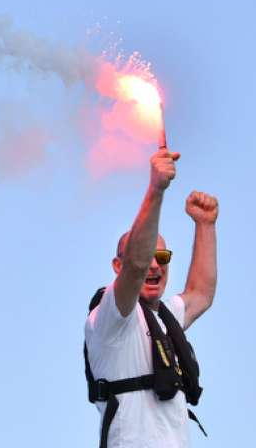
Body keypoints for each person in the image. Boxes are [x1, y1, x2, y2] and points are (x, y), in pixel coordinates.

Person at [83, 148, 219, 448]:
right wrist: (156, 189)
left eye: (162, 257)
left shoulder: (163, 317)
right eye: (149, 257)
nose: (154, 265)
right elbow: (136, 265)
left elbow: (201, 294)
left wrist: (205, 225)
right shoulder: (112, 318)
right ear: (117, 267)